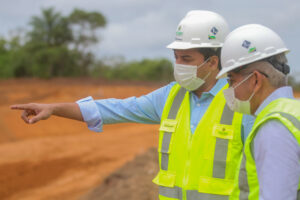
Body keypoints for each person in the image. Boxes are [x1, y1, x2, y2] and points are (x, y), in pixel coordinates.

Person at [11, 10, 254, 200]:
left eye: (187, 59)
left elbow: (264, 170)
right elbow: (114, 109)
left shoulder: (244, 102)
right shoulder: (171, 96)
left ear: (213, 62)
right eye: (176, 57)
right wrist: (54, 108)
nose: (178, 64)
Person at [216, 24, 300, 200]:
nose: (230, 89)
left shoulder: (275, 128)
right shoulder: (293, 113)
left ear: (255, 79)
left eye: (231, 80)